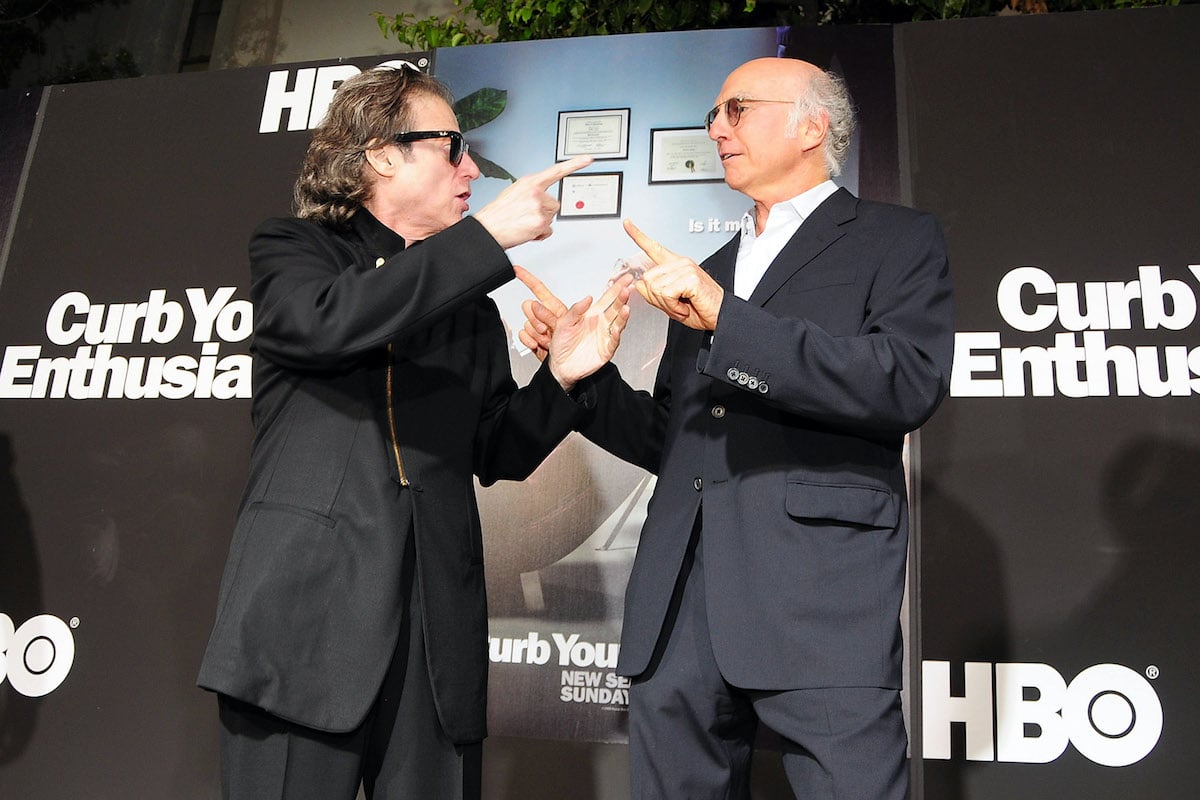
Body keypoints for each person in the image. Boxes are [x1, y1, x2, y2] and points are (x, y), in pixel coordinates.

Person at [521, 57, 954, 798]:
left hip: (820, 599)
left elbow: (904, 382)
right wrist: (585, 374)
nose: (716, 128)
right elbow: (674, 441)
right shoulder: (713, 266)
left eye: (737, 109)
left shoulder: (895, 239)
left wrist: (730, 321)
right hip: (679, 609)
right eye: (713, 116)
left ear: (813, 124)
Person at [196, 65, 631, 800]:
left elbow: (497, 449)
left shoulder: (472, 310)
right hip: (308, 622)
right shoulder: (297, 251)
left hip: (436, 640)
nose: (472, 168)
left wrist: (561, 378)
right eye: (452, 146)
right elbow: (327, 323)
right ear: (381, 154)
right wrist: (487, 237)